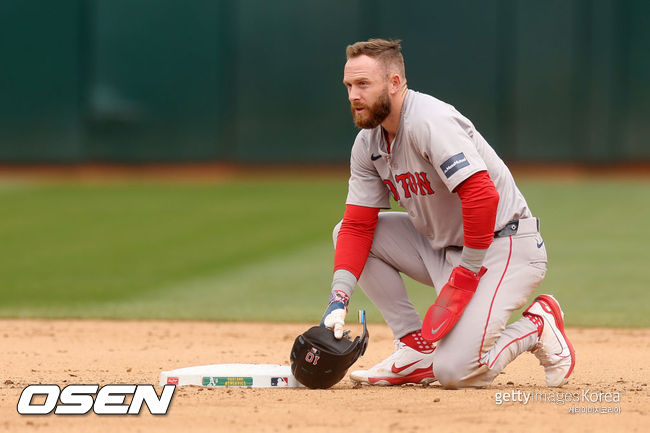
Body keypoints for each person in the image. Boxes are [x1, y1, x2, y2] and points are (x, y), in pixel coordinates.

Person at [320, 38, 575, 388]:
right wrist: (338, 299)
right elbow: (358, 226)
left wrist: (467, 275)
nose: (353, 95)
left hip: (503, 246)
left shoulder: (429, 121)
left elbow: (482, 196)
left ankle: (537, 325)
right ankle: (414, 348)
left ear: (395, 83)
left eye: (363, 84)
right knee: (343, 231)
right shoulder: (369, 143)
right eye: (348, 85)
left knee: (455, 372)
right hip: (444, 249)